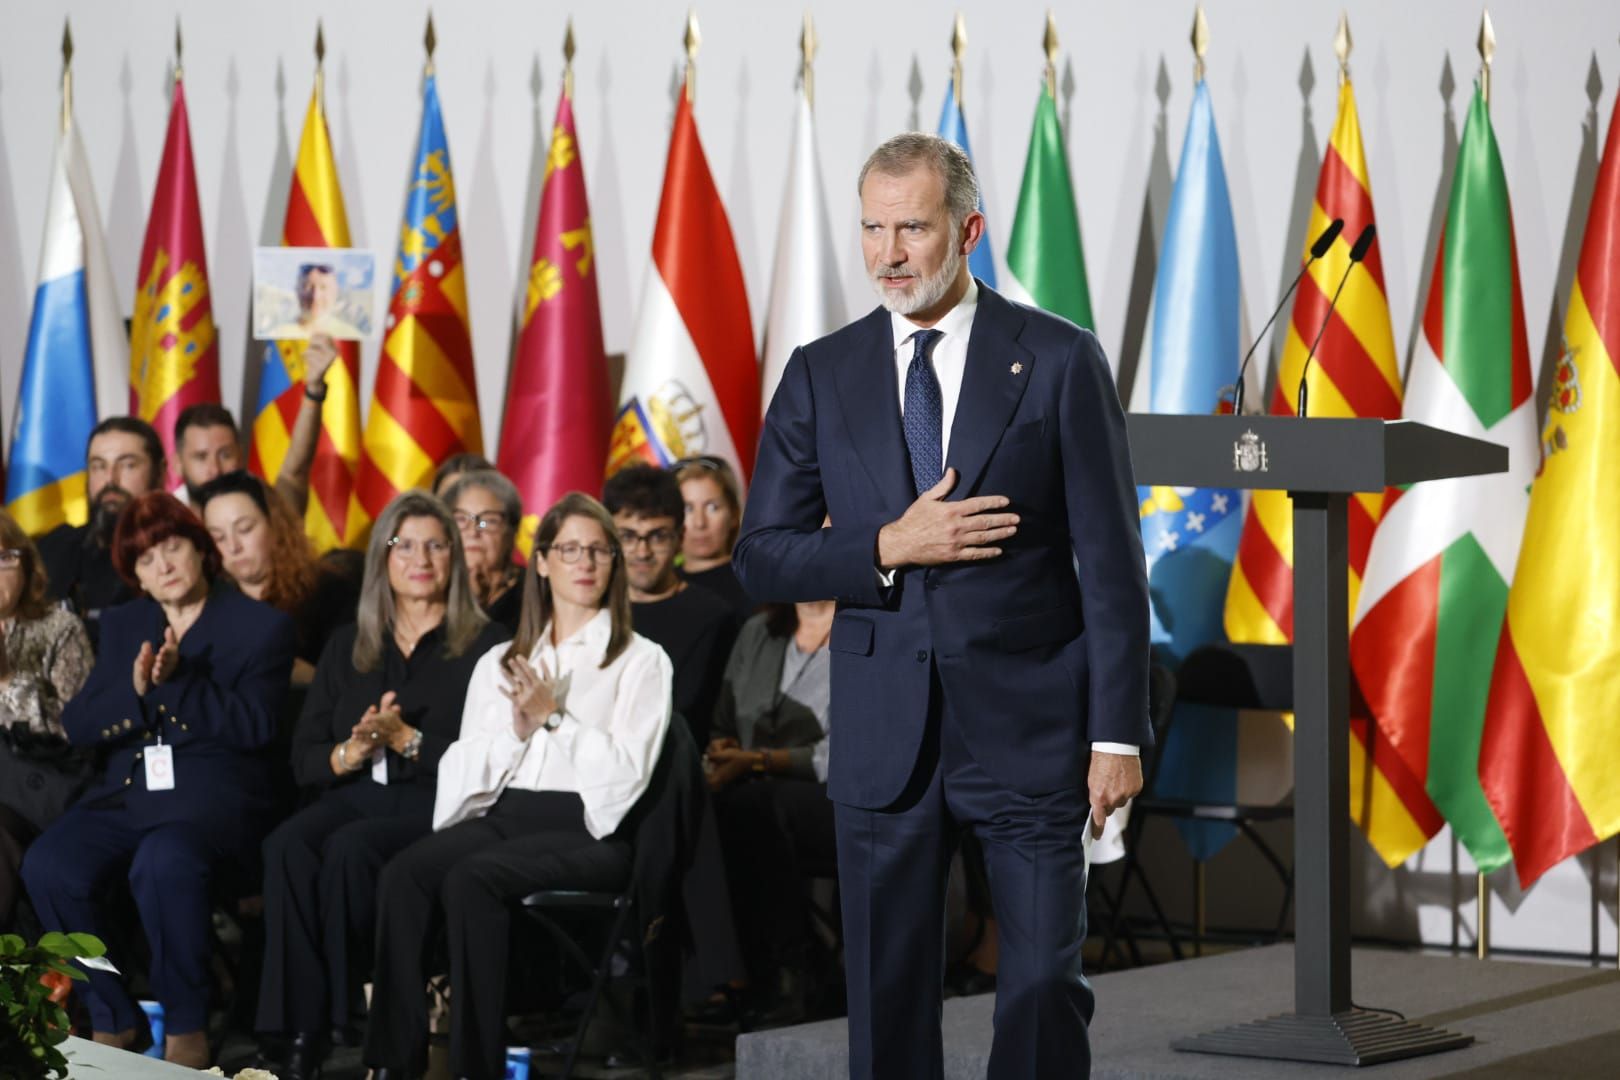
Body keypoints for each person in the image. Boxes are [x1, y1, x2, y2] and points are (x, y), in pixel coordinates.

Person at [734, 133, 1150, 1079]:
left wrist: (1116, 733)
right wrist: (887, 545)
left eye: (911, 228)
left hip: (1033, 730)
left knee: (1043, 986)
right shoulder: (820, 371)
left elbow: (1114, 565)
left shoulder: (1056, 360)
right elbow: (761, 556)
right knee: (886, 1003)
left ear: (967, 230)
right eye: (873, 228)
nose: (887, 253)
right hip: (883, 736)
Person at [364, 493, 672, 1080]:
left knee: (472, 878)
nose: (585, 563)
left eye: (599, 550)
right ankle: (395, 1065)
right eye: (570, 549)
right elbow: (463, 778)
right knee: (405, 873)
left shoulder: (640, 660)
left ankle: (472, 1067)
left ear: (613, 563)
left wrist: (558, 719)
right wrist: (519, 728)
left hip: (590, 830)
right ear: (542, 562)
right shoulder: (503, 661)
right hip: (506, 816)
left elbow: (625, 780)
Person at [23, 493, 295, 1068]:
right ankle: (114, 1017)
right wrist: (139, 690)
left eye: (173, 548)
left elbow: (257, 726)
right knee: (50, 864)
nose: (163, 566)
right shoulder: (126, 623)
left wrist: (178, 685)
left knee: (163, 860)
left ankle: (186, 1027)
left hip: (211, 802)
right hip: (128, 794)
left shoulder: (260, 627)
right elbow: (79, 722)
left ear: (201, 550)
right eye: (146, 560)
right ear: (136, 576)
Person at [254, 491, 508, 1080]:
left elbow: (493, 763)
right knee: (286, 846)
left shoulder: (486, 647)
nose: (420, 558)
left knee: (351, 849)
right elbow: (306, 758)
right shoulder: (348, 643)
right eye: (404, 545)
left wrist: (407, 741)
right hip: (357, 791)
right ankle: (302, 1030)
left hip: (438, 804)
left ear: (454, 559)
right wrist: (356, 749)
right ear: (382, 560)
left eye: (435, 545)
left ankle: (357, 1018)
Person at [706, 599, 836, 1012]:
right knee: (705, 809)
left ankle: (788, 966)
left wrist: (759, 760)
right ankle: (708, 970)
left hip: (835, 795)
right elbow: (724, 721)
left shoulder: (870, 628)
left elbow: (853, 750)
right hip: (749, 789)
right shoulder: (758, 631)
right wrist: (725, 748)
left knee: (756, 808)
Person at [0, 511, 93, 932]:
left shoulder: (59, 627)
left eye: (4, 557)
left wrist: (7, 681)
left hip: (36, 787)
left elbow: (74, 729)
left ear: (27, 564)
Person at [603, 464, 735, 747]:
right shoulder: (593, 611)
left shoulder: (713, 617)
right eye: (628, 536)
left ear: (679, 537)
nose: (642, 551)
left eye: (658, 536)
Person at [195, 470, 360, 685]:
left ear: (275, 525)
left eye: (245, 529)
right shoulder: (210, 605)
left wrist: (304, 675)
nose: (233, 546)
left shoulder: (330, 593)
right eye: (218, 537)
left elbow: (352, 686)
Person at [173, 334, 340, 514]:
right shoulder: (161, 527)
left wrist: (314, 390)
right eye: (201, 457)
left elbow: (294, 474)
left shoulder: (267, 517)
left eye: (225, 455)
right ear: (177, 464)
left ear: (240, 453)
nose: (215, 470)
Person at [35, 417, 165, 642]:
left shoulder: (177, 554)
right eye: (98, 466)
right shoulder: (52, 548)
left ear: (160, 472)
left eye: (128, 465)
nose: (110, 480)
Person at [443, 469, 524, 632]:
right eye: (461, 519)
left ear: (512, 532)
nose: (473, 531)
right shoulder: (435, 589)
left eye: (488, 521)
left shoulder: (533, 595)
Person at [676, 455, 755, 622]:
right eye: (687, 509)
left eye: (712, 507)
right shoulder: (657, 585)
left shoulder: (755, 584)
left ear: (734, 514)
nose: (700, 522)